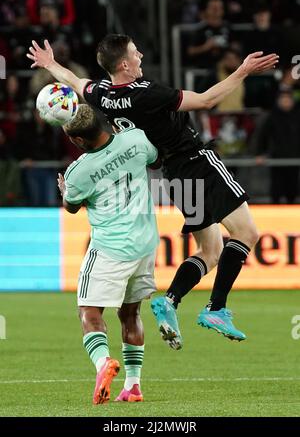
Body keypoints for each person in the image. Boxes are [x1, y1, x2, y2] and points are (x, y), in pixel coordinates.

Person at [27, 36, 278, 351]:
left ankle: (170, 301)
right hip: (197, 162)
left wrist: (50, 65)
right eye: (135, 52)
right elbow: (206, 100)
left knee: (210, 249)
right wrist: (242, 70)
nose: (140, 54)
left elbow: (76, 82)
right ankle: (216, 309)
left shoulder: (102, 95)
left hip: (174, 176)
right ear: (124, 64)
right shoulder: (147, 93)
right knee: (248, 234)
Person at [57, 104, 160, 403]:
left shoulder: (79, 170)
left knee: (88, 312)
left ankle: (104, 364)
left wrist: (66, 190)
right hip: (145, 245)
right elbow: (154, 160)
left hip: (111, 248)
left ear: (77, 140)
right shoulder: (136, 139)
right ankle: (133, 386)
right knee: (130, 314)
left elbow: (72, 206)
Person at [254, 90, 300, 204]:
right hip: (277, 157)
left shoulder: (298, 115)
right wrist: (260, 153)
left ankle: (292, 212)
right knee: (276, 187)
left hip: (295, 157)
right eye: (283, 99)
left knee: (293, 187)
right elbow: (262, 136)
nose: (286, 102)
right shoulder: (272, 116)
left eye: (288, 99)